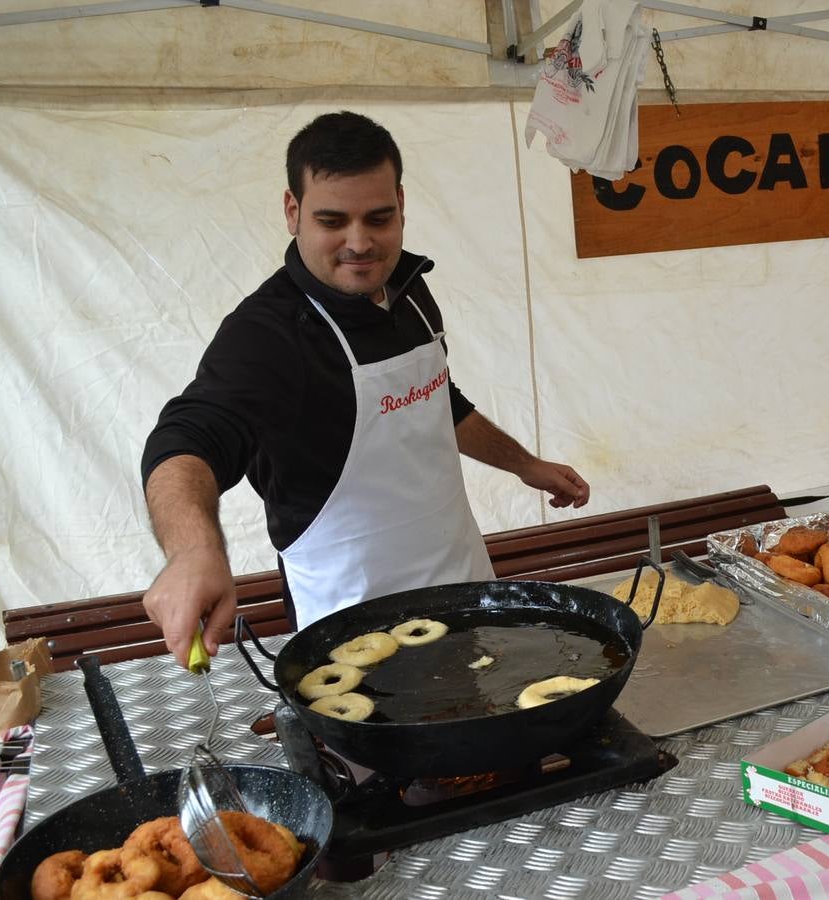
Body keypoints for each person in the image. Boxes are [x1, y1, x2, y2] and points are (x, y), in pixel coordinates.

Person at [140, 110, 589, 667]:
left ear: (402, 204)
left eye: (379, 218)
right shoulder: (268, 334)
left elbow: (437, 401)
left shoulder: (410, 292)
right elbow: (187, 438)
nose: (360, 243)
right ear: (292, 211)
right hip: (353, 630)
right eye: (333, 221)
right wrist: (193, 551)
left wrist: (525, 464)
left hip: (463, 583)